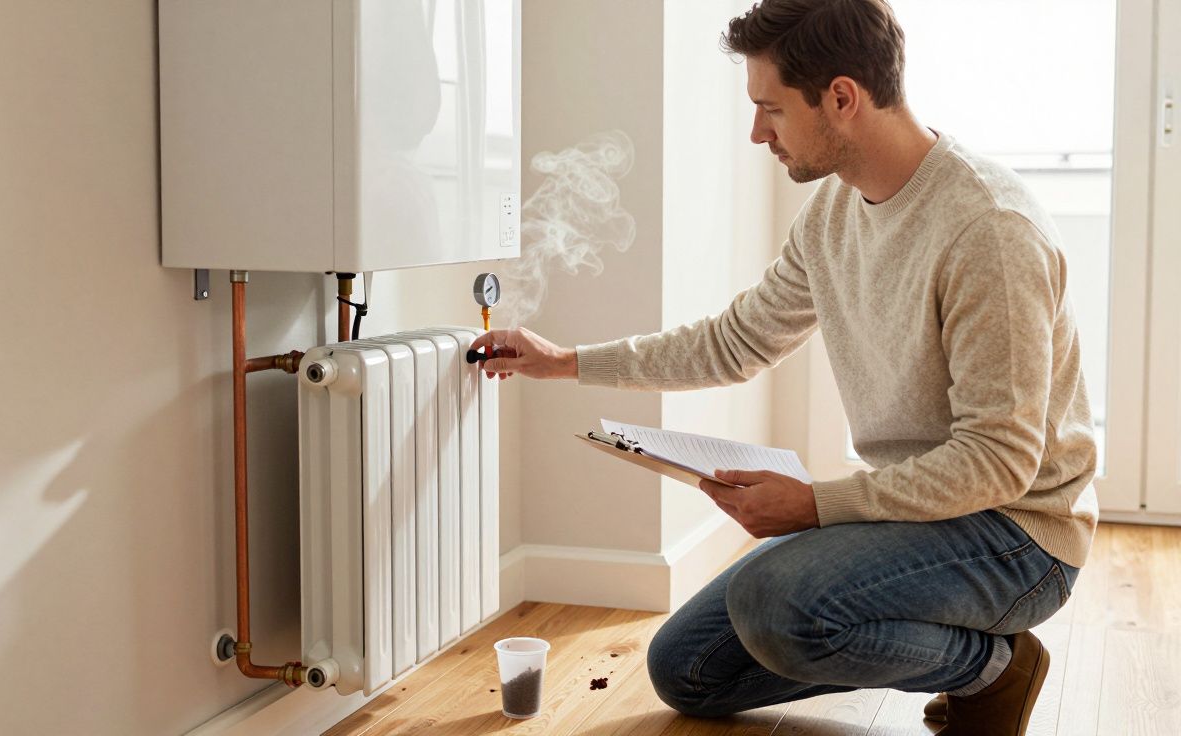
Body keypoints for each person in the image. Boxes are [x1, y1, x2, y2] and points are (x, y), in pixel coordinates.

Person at [469, 1, 1098, 733]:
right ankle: (970, 654)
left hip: (1016, 535)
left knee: (777, 605)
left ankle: (994, 669)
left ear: (841, 98)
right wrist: (565, 363)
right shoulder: (833, 213)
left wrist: (815, 504)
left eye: (770, 108)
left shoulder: (988, 230)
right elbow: (736, 341)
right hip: (907, 513)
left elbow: (998, 462)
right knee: (686, 671)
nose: (757, 132)